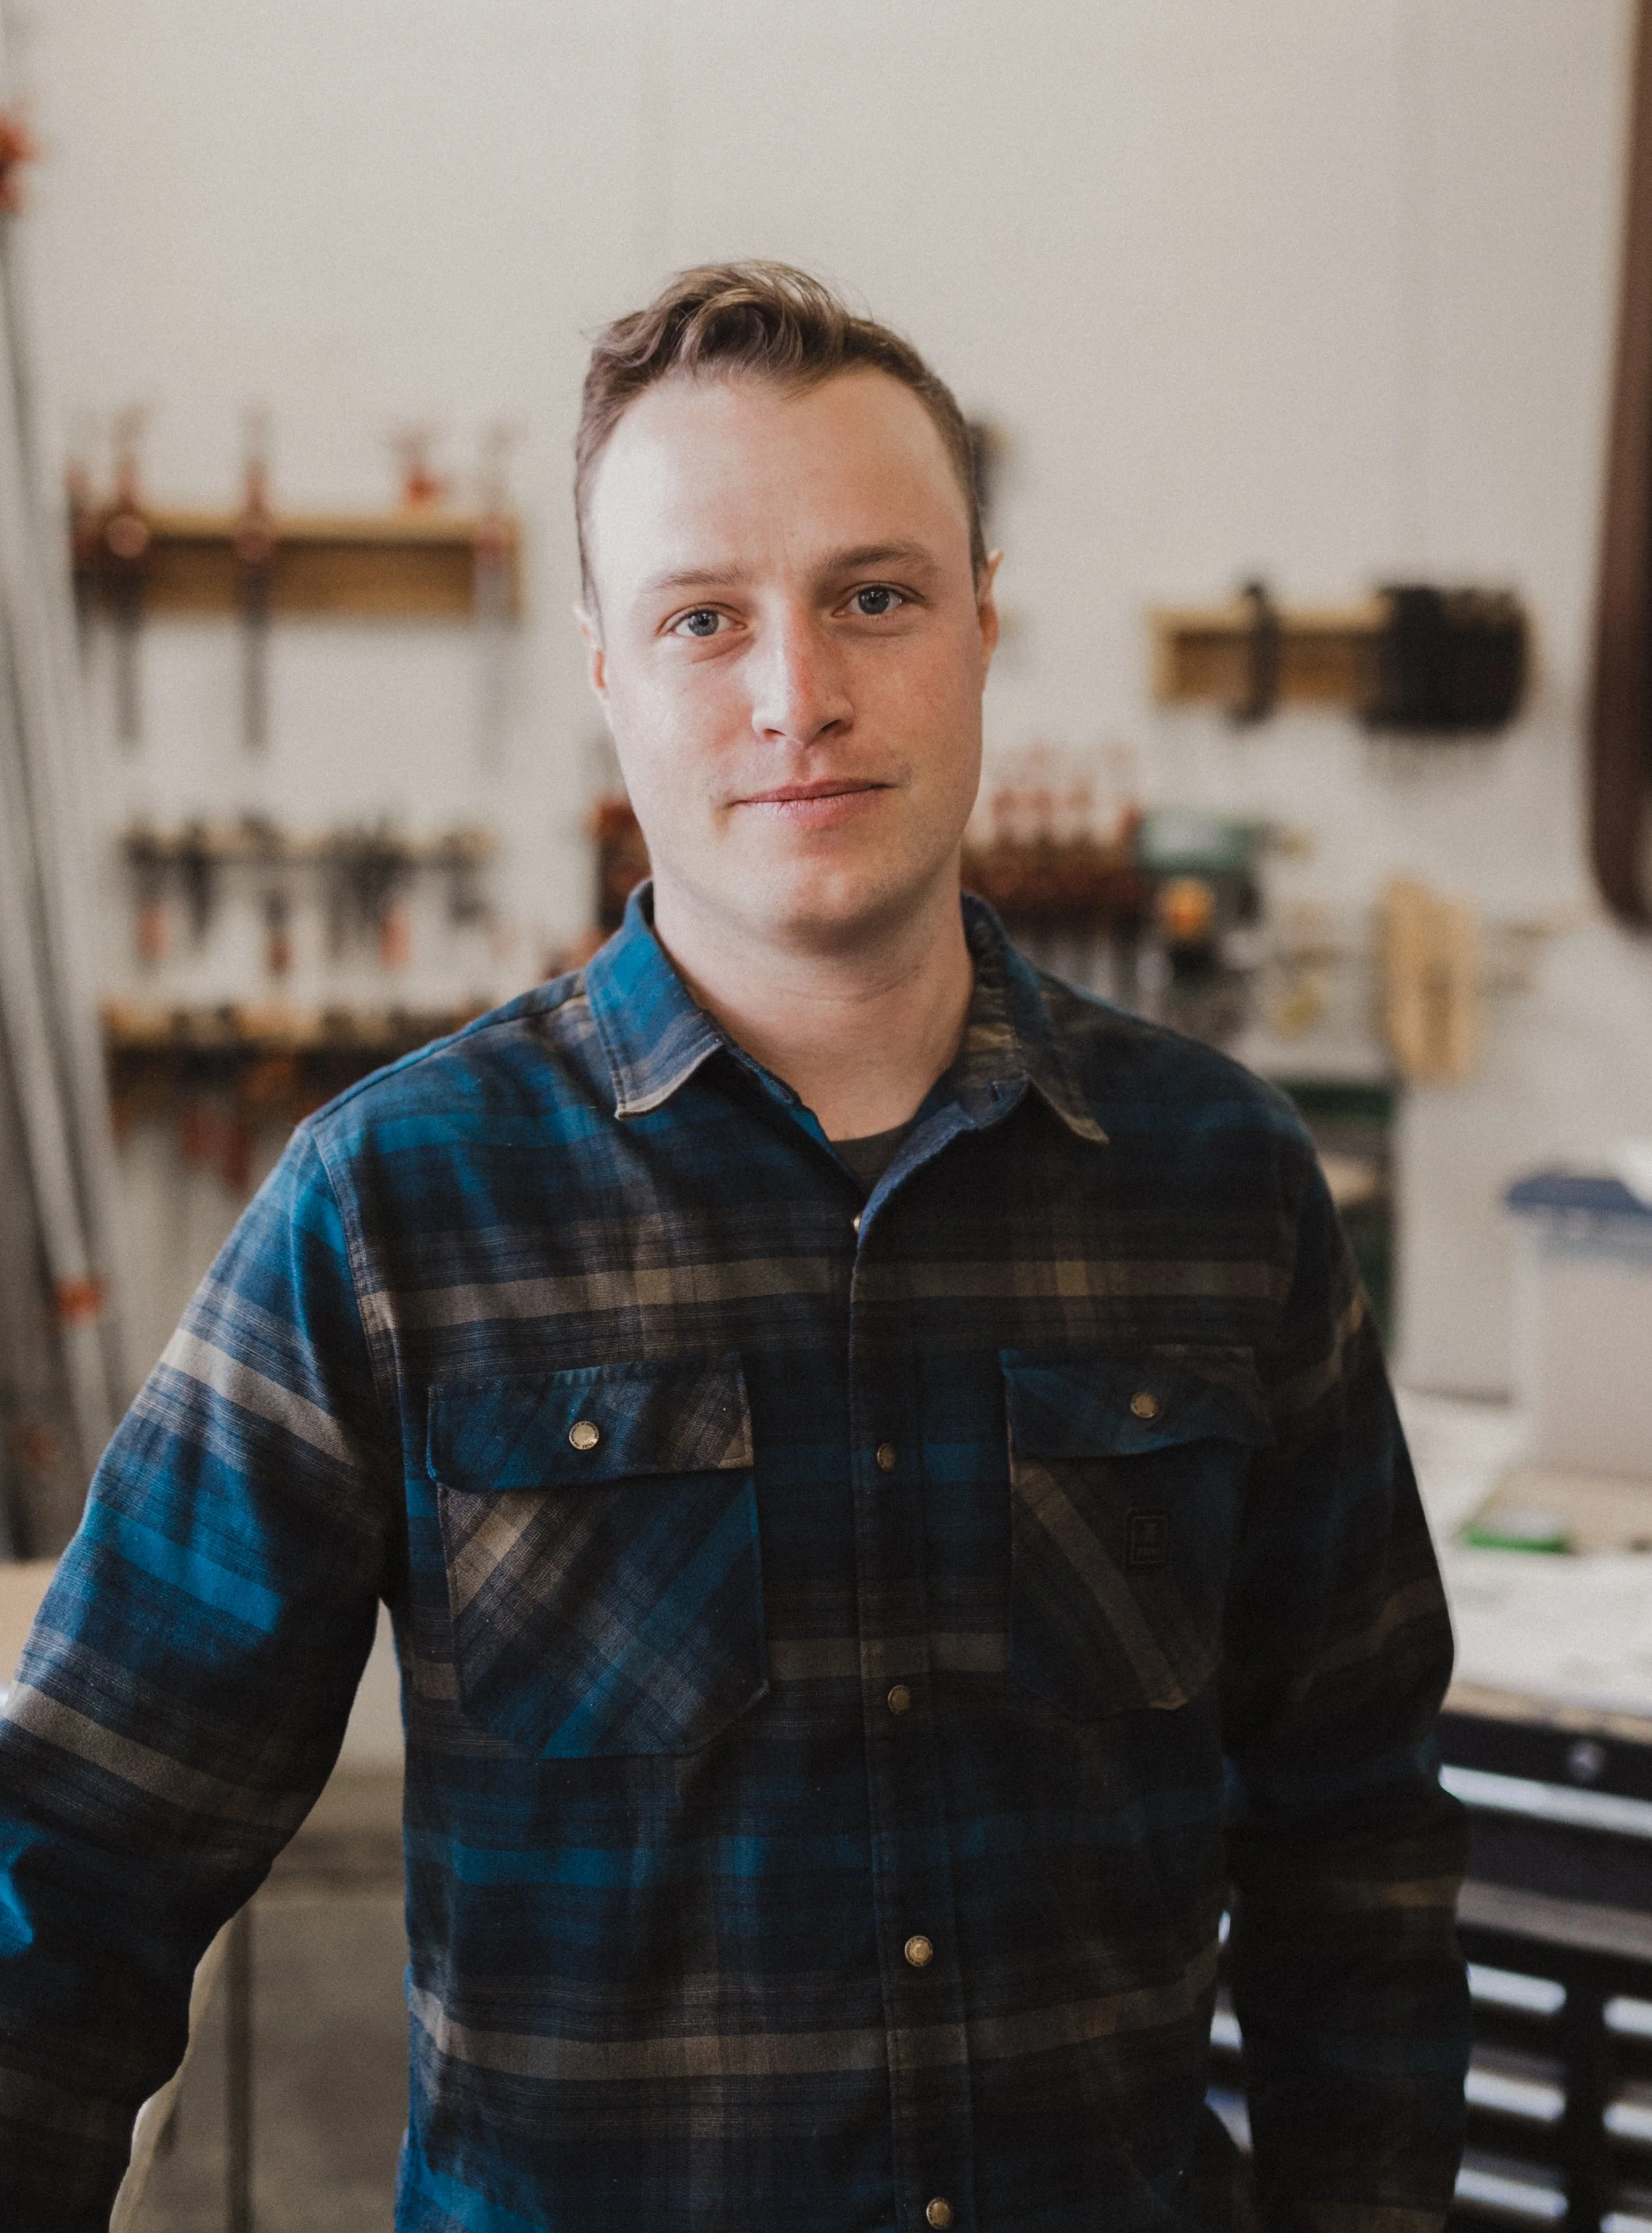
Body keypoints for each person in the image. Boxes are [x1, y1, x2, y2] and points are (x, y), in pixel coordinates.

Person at [0, 262, 1469, 2231]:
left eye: (873, 593)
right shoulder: (392, 1210)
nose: (798, 693)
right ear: (605, 669)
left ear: (979, 625)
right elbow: (80, 1859)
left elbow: (1352, 1857)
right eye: (706, 617)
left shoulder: (1220, 1186)